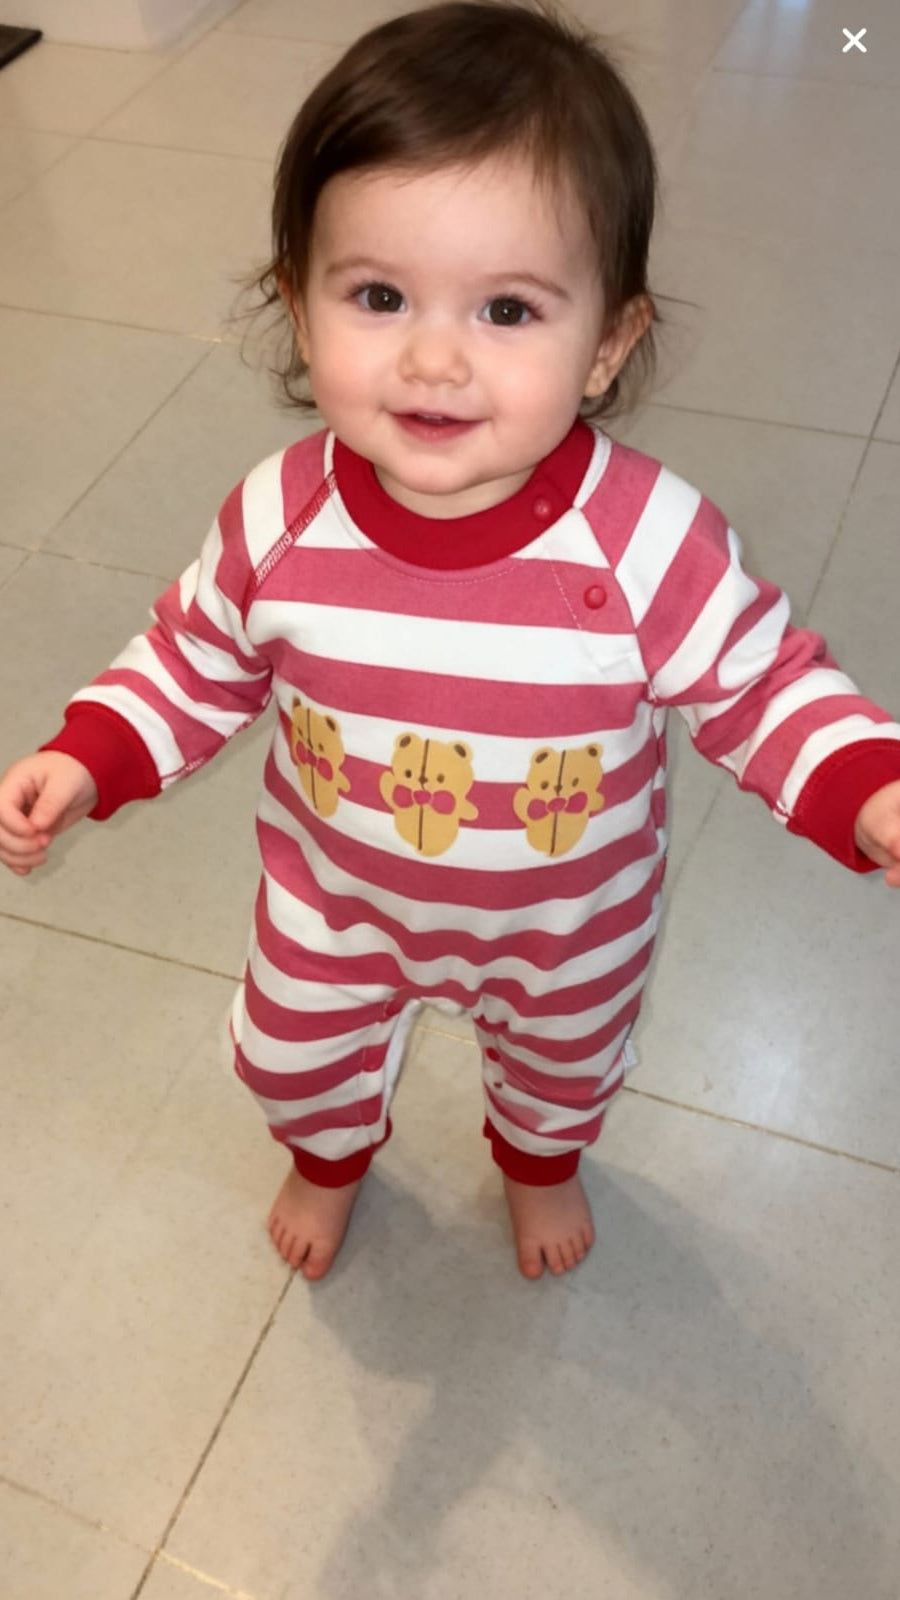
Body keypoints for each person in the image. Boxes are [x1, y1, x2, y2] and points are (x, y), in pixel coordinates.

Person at [1, 0, 899, 1285]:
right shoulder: (280, 515)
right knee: (290, 1048)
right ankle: (328, 1154)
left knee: (562, 1065)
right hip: (337, 891)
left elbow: (761, 686)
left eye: (509, 312)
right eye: (378, 295)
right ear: (298, 310)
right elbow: (195, 657)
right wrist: (91, 751)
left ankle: (538, 1164)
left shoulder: (643, 544)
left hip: (567, 914)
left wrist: (866, 784)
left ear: (609, 344)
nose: (433, 359)